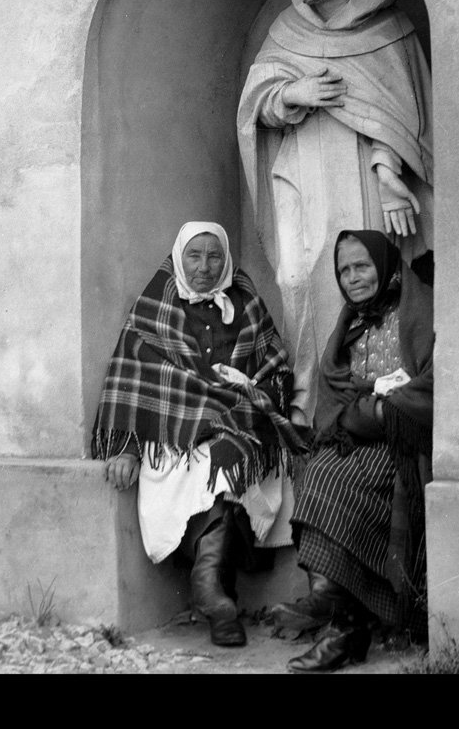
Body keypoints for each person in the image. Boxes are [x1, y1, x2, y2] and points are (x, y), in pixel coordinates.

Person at [237, 0, 434, 421]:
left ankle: (363, 391)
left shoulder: (390, 28)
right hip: (302, 168)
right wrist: (289, 95)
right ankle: (307, 396)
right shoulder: (286, 30)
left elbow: (402, 114)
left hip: (360, 173)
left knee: (363, 275)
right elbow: (256, 104)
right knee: (298, 277)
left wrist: (389, 175)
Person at [92, 222, 308, 647]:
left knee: (228, 461)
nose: (205, 267)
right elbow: (135, 384)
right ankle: (216, 596)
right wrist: (129, 449)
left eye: (214, 257)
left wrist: (247, 392)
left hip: (239, 426)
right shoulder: (154, 307)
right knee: (212, 468)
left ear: (225, 260)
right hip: (178, 436)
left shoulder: (245, 303)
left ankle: (211, 593)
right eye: (195, 256)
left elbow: (277, 370)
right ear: (178, 258)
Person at [274, 229, 434, 673]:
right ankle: (343, 620)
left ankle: (339, 620)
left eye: (362, 266)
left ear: (383, 266)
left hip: (400, 445)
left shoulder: (418, 311)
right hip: (358, 437)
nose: (352, 278)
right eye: (344, 270)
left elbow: (432, 383)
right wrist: (360, 412)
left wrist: (378, 412)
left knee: (331, 476)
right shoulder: (352, 322)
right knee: (316, 466)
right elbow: (335, 389)